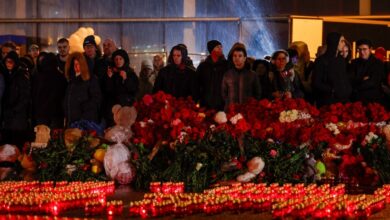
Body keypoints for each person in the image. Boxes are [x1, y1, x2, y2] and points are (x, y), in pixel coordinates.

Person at [312, 32, 352, 107]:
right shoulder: (321, 61)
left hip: (342, 101)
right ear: (335, 42)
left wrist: (347, 90)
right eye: (342, 41)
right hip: (327, 102)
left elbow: (344, 78)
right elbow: (316, 82)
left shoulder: (341, 60)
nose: (344, 44)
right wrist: (331, 90)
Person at [101, 49, 139, 127]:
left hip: (126, 109)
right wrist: (109, 78)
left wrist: (126, 79)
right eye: (116, 59)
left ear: (124, 59)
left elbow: (134, 89)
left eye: (120, 59)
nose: (118, 61)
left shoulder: (130, 73)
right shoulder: (111, 73)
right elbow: (107, 91)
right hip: (113, 111)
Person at [1, 51, 31, 148]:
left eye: (11, 62)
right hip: (8, 117)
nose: (8, 64)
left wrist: (14, 109)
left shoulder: (21, 76)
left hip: (18, 117)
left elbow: (24, 97)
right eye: (7, 62)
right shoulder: (7, 75)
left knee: (17, 144)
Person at [64, 52, 102, 126]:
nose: (76, 66)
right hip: (72, 121)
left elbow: (96, 98)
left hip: (85, 122)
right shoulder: (71, 80)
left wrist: (85, 111)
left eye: (78, 64)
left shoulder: (90, 79)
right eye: (74, 64)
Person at [32, 53, 67, 128]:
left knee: (42, 137)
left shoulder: (38, 77)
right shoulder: (60, 77)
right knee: (56, 137)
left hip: (41, 114)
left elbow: (34, 95)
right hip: (56, 113)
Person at [222, 43, 261, 110]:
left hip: (247, 111)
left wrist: (252, 105)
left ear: (244, 58)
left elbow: (257, 93)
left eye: (240, 56)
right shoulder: (227, 75)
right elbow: (224, 93)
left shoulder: (252, 75)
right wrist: (229, 103)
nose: (237, 58)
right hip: (231, 111)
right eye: (234, 56)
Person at [349, 39, 385, 105]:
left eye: (364, 49)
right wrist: (362, 79)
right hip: (355, 100)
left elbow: (373, 82)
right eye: (359, 49)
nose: (362, 52)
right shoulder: (354, 62)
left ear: (370, 49)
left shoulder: (378, 63)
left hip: (372, 101)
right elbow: (350, 79)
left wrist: (356, 84)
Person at [197, 40, 229, 111]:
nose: (220, 48)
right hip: (206, 104)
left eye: (221, 47)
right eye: (217, 47)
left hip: (223, 104)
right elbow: (197, 84)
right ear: (211, 49)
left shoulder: (226, 65)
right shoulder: (203, 66)